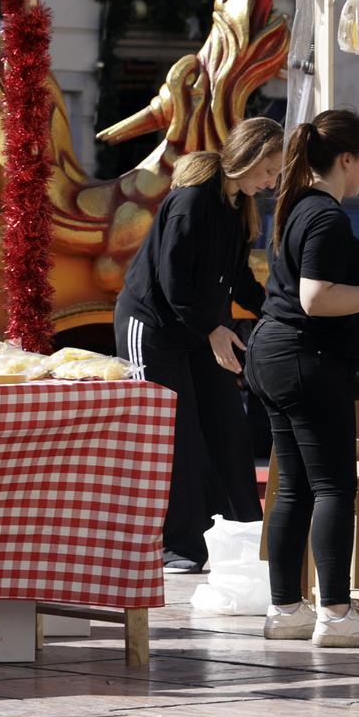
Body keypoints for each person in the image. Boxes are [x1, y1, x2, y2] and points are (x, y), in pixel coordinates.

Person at [248, 109, 359, 648]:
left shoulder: (302, 206)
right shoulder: (326, 216)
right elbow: (318, 297)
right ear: (346, 159)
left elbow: (340, 268)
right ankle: (336, 614)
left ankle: (286, 610)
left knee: (294, 490)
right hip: (307, 360)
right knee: (333, 488)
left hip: (276, 356)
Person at [115, 117, 283, 573]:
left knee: (228, 427)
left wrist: (278, 311)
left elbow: (240, 279)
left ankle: (244, 537)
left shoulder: (235, 209)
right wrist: (213, 329)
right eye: (269, 170)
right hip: (153, 328)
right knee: (177, 436)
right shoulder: (191, 202)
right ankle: (179, 547)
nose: (272, 182)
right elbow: (173, 282)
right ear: (247, 159)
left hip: (199, 330)